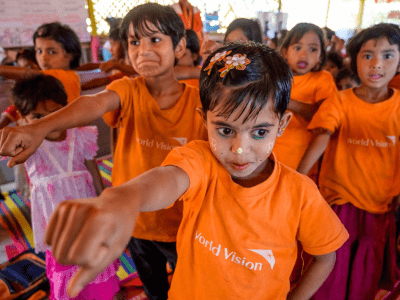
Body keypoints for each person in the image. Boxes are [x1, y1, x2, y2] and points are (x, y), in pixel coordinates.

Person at [21, 42, 351, 299]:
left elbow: (325, 256)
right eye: (224, 130)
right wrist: (125, 196)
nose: (239, 148)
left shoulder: (300, 193)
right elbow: (167, 179)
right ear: (203, 118)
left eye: (259, 132)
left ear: (283, 125)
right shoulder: (201, 160)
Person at [0, 4, 208, 300]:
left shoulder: (198, 102)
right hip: (132, 221)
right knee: (154, 289)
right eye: (135, 42)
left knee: (188, 287)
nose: (143, 49)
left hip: (182, 223)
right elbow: (92, 105)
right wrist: (39, 127)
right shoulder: (128, 89)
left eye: (155, 40)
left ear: (180, 46)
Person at [297, 23, 400, 300]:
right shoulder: (339, 101)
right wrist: (296, 181)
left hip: (380, 208)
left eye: (388, 55)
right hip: (337, 205)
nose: (376, 64)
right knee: (330, 274)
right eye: (367, 55)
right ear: (354, 58)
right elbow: (322, 136)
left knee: (365, 280)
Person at [9, 73, 119, 300]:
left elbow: (94, 174)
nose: (48, 122)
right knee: (65, 272)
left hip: (88, 217)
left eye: (55, 114)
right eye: (37, 117)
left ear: (66, 109)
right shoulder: (27, 146)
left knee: (94, 263)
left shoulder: (81, 136)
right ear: (22, 118)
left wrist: (107, 208)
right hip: (56, 225)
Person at [273, 23, 337, 177]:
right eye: (297, 48)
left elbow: (324, 116)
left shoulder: (322, 79)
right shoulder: (275, 78)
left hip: (302, 159)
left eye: (313, 49)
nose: (304, 55)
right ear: (285, 51)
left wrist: (288, 102)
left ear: (321, 56)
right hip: (268, 154)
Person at [0, 22, 82, 129]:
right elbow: (22, 105)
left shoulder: (64, 76)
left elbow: (29, 74)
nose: (43, 57)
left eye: (52, 52)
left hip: (60, 137)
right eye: (39, 51)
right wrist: (7, 117)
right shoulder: (45, 82)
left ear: (70, 55)